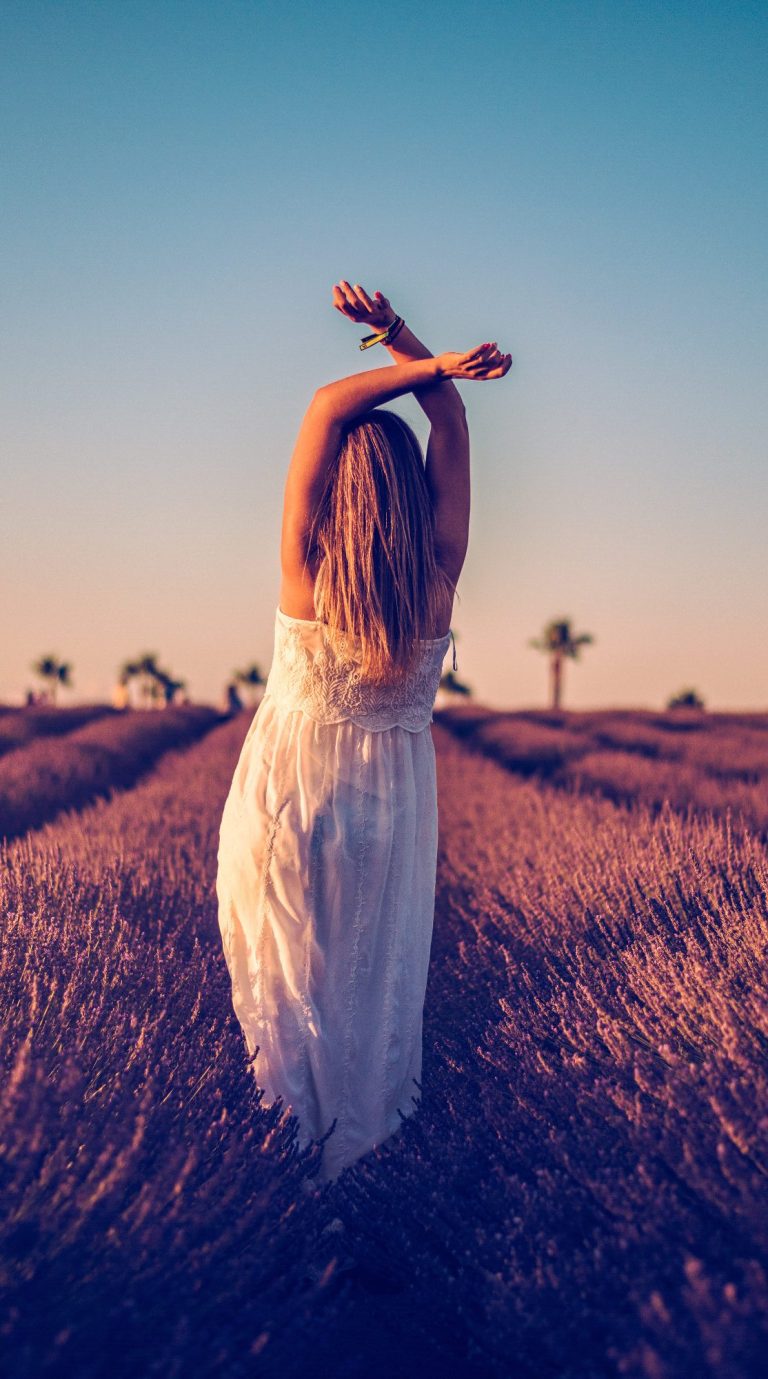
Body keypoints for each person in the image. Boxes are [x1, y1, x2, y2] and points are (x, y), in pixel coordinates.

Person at [215, 281, 512, 1184]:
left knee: (286, 1002)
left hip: (288, 801)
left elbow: (323, 406)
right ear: (411, 497)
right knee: (369, 998)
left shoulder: (306, 571)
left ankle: (283, 1190)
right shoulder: (437, 575)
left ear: (338, 487)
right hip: (389, 814)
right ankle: (359, 1192)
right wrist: (425, 360)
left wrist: (408, 348)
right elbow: (450, 425)